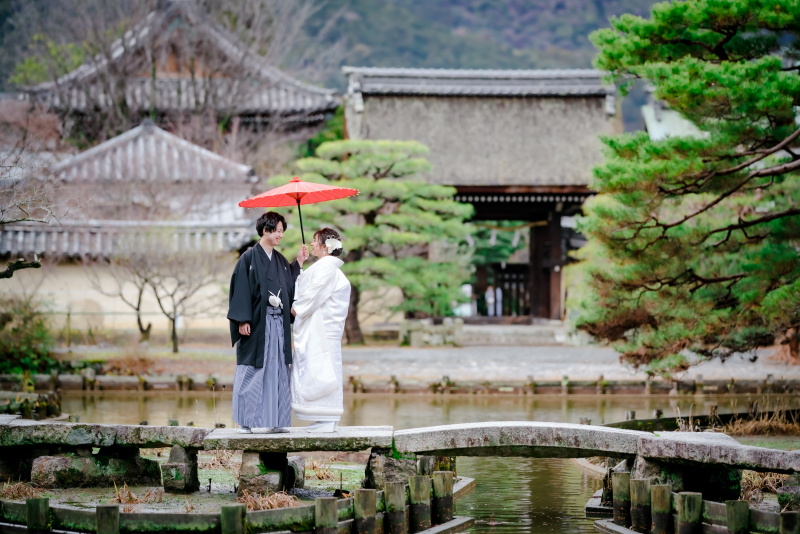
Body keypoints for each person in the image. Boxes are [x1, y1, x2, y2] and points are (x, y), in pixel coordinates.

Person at [227, 212, 308, 434]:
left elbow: (289, 284)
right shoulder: (248, 258)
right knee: (253, 368)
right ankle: (245, 421)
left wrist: (298, 262)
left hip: (278, 324)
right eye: (278, 230)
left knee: (279, 369)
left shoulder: (281, 260)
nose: (281, 235)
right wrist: (242, 319)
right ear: (266, 230)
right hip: (257, 324)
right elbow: (240, 289)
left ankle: (277, 420)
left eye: (282, 231)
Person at [290, 228, 351, 433]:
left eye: (315, 241)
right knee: (323, 370)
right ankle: (327, 418)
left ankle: (326, 419)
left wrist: (294, 309)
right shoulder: (326, 267)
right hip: (324, 330)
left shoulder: (327, 268)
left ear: (326, 246)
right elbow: (307, 286)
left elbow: (312, 295)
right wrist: (300, 263)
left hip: (323, 330)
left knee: (321, 371)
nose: (312, 244)